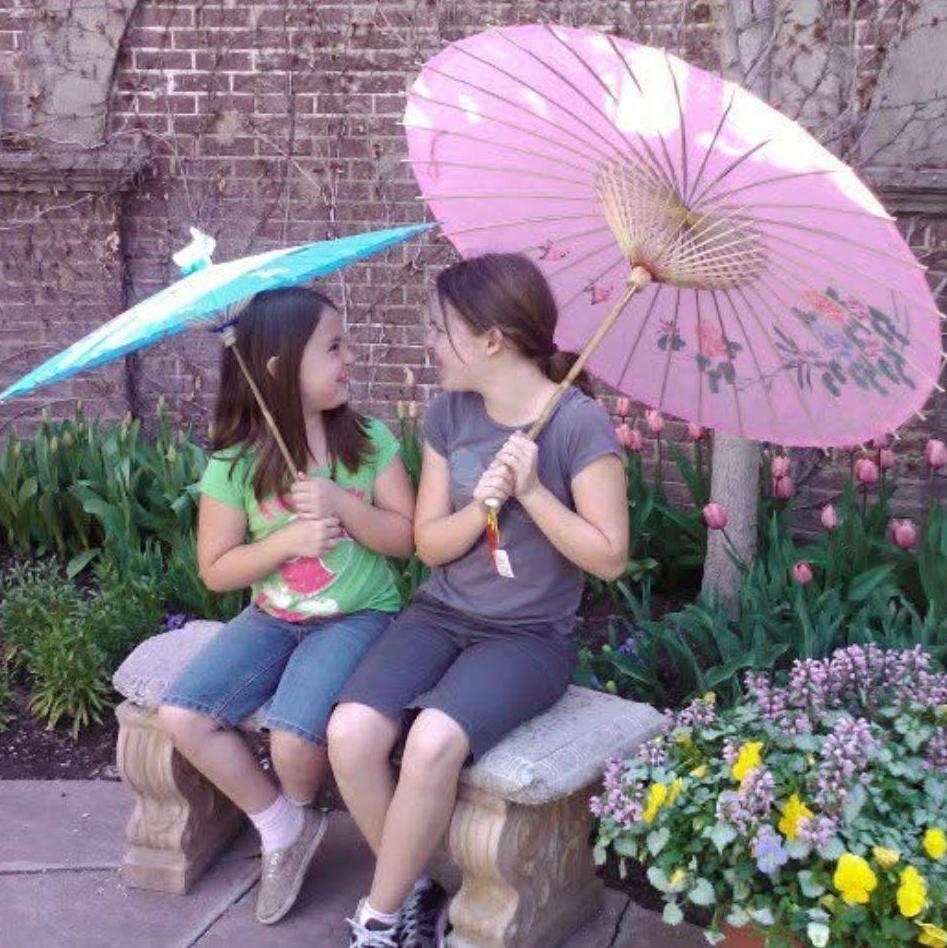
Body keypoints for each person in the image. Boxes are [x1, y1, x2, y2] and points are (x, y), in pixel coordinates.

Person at [328, 253, 629, 947]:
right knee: (350, 733)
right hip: (440, 614)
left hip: (527, 639)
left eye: (439, 329)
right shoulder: (450, 415)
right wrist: (482, 505)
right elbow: (430, 545)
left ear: (490, 339)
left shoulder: (580, 427)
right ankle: (416, 889)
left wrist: (530, 493)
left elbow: (608, 557)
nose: (428, 342)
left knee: (432, 741)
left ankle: (379, 922)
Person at [157, 286, 415, 925]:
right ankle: (280, 828)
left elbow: (407, 540)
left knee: (296, 744)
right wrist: (289, 541)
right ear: (277, 369)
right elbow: (217, 571)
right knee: (183, 716)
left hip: (359, 617)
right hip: (271, 618)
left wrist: (343, 505)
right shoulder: (236, 463)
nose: (349, 358)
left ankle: (297, 816)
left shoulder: (367, 440)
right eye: (333, 347)